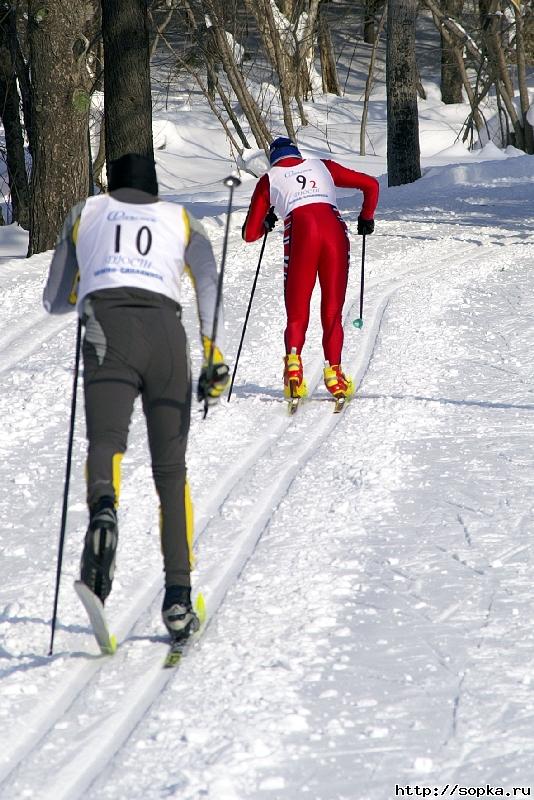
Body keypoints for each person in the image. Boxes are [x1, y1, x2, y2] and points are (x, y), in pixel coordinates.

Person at [43, 153, 229, 641]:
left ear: (111, 188)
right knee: (171, 472)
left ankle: (104, 509)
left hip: (107, 330)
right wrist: (213, 354)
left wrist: (87, 284)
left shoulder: (86, 213)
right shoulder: (182, 219)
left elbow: (54, 300)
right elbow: (207, 281)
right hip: (167, 336)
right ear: (155, 191)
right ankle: (178, 599)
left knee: (106, 441)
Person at [242, 136, 379, 401]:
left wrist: (266, 222)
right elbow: (371, 185)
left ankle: (293, 369)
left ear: (273, 160)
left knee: (296, 313)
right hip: (334, 233)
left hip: (301, 233)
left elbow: (249, 234)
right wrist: (366, 217)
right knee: (332, 311)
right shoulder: (321, 165)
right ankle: (335, 376)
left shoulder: (269, 180)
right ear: (298, 154)